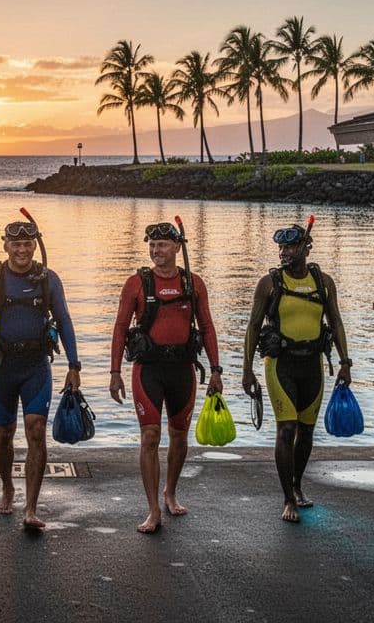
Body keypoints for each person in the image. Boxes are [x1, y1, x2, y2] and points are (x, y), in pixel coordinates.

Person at [0, 219, 80, 532]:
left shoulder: (48, 280)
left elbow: (64, 321)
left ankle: (30, 507)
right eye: (16, 244)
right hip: (1, 367)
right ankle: (7, 487)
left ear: (35, 245)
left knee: (36, 429)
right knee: (4, 432)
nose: (22, 249)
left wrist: (74, 365)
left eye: (28, 244)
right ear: (6, 246)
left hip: (36, 366)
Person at [109, 222, 222, 534]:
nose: (157, 250)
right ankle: (153, 509)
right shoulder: (136, 283)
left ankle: (170, 492)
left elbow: (208, 326)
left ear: (177, 248)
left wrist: (215, 370)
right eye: (153, 245)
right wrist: (115, 372)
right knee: (149, 437)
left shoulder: (193, 284)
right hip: (148, 371)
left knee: (179, 437)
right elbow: (120, 327)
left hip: (183, 370)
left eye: (163, 245)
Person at [242, 221, 351, 524]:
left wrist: (345, 362)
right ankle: (287, 499)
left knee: (305, 432)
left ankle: (297, 484)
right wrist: (247, 369)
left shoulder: (323, 281)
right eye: (281, 247)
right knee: (286, 429)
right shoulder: (269, 283)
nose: (284, 252)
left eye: (290, 246)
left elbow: (337, 321)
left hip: (312, 363)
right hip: (281, 365)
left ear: (306, 247)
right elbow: (252, 326)